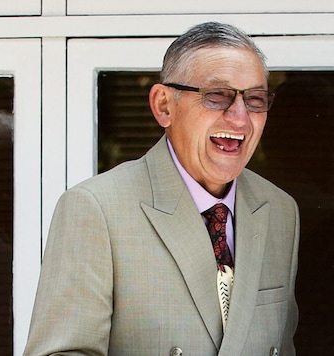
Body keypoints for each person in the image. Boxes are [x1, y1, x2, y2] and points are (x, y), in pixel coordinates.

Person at [24, 22, 299, 356]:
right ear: (164, 105)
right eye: (217, 96)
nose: (240, 118)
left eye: (255, 100)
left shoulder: (281, 211)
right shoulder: (96, 209)